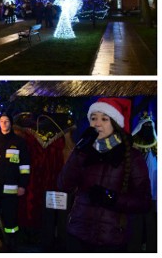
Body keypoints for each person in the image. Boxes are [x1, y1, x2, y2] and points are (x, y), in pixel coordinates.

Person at [58, 97, 151, 252]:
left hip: (111, 239)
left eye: (104, 119)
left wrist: (111, 198)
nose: (97, 123)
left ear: (115, 123)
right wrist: (79, 152)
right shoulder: (83, 151)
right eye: (93, 118)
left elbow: (144, 201)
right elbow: (63, 185)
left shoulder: (132, 156)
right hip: (77, 234)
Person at [0, 113, 31, 252]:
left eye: (7, 121)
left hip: (11, 189)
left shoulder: (19, 142)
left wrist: (22, 185)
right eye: (1, 121)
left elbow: (25, 166)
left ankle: (12, 246)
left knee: (11, 220)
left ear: (11, 123)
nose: (4, 123)